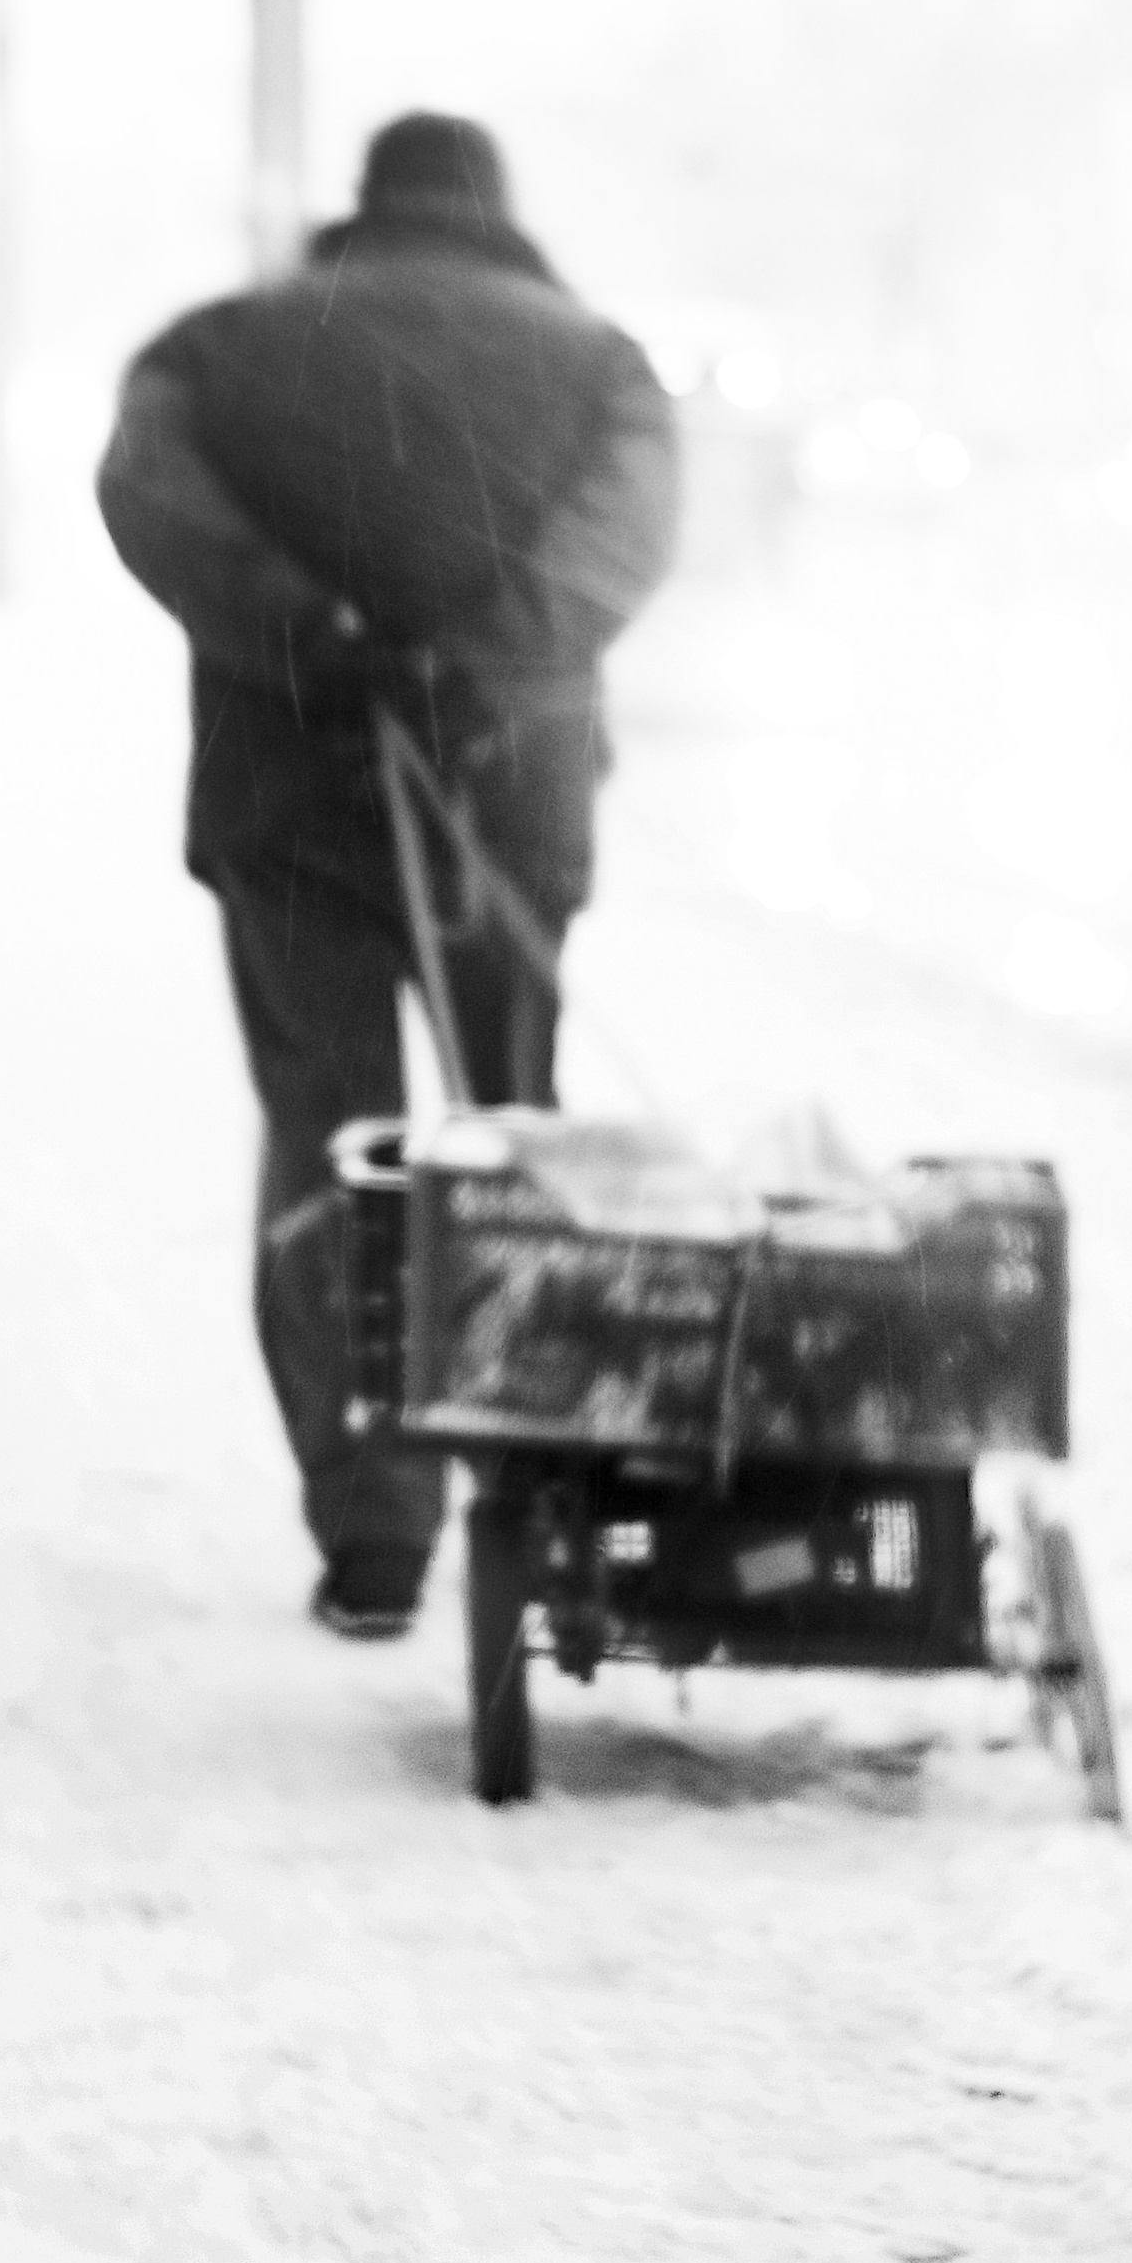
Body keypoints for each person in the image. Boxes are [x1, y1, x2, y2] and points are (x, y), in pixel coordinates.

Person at [96, 111, 679, 1639]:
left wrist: (309, 636)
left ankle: (372, 1529)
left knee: (330, 1140)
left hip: (293, 801)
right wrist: (480, 660)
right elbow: (625, 537)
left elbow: (146, 489)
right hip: (509, 803)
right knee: (507, 1135)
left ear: (371, 206)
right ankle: (531, 1481)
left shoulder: (220, 349)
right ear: (495, 212)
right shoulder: (600, 363)